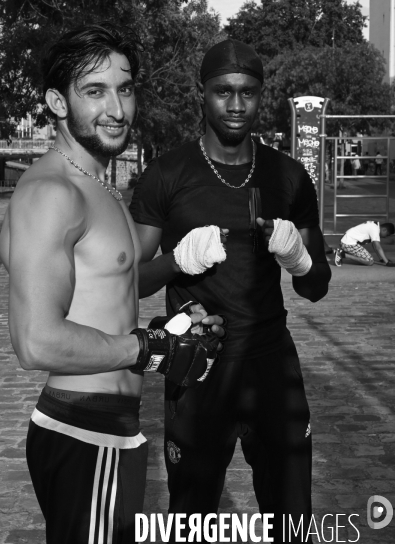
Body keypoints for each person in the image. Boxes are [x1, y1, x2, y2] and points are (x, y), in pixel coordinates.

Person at [0, 23, 223, 544]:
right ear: (58, 101)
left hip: (109, 427)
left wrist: (177, 270)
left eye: (124, 89)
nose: (117, 109)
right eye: (95, 91)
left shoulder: (98, 184)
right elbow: (35, 341)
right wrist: (149, 347)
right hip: (84, 431)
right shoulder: (51, 193)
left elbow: (108, 283)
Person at [130, 39, 332, 543]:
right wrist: (175, 262)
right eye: (224, 92)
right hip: (198, 362)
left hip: (270, 363)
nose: (236, 105)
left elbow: (316, 287)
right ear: (202, 93)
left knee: (292, 518)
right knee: (192, 521)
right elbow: (127, 280)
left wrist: (299, 258)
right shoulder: (167, 175)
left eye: (248, 93)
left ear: (262, 95)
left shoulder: (288, 176)